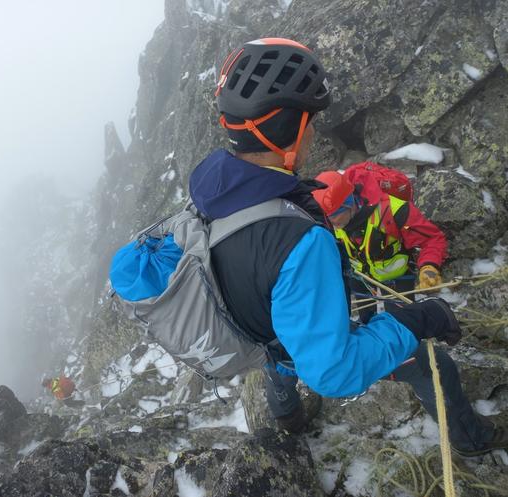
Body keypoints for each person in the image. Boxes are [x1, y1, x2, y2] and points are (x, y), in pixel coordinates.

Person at [186, 37, 507, 455]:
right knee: (433, 364)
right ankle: (471, 440)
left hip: (261, 332)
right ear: (295, 128)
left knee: (277, 366)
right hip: (297, 330)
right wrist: (417, 321)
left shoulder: (209, 195)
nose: (315, 132)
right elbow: (334, 372)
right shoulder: (300, 238)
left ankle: (287, 417)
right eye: (311, 122)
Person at [312, 170, 448, 322]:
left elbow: (431, 239)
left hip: (396, 278)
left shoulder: (394, 210)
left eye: (332, 216)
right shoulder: (328, 218)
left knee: (404, 324)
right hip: (359, 277)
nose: (330, 223)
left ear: (349, 204)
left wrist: (429, 266)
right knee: (366, 321)